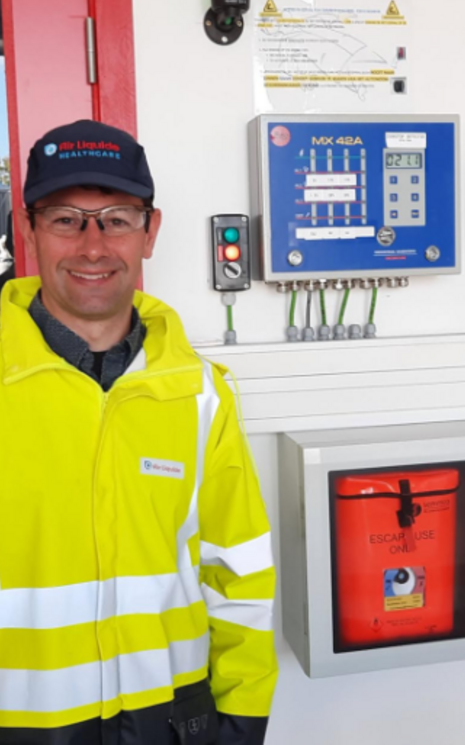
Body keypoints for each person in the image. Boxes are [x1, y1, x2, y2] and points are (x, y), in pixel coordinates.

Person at [0, 120, 278, 745]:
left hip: (170, 721)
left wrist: (240, 719)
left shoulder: (203, 392)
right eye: (67, 218)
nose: (93, 246)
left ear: (150, 233)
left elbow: (239, 571)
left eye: (117, 219)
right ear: (29, 230)